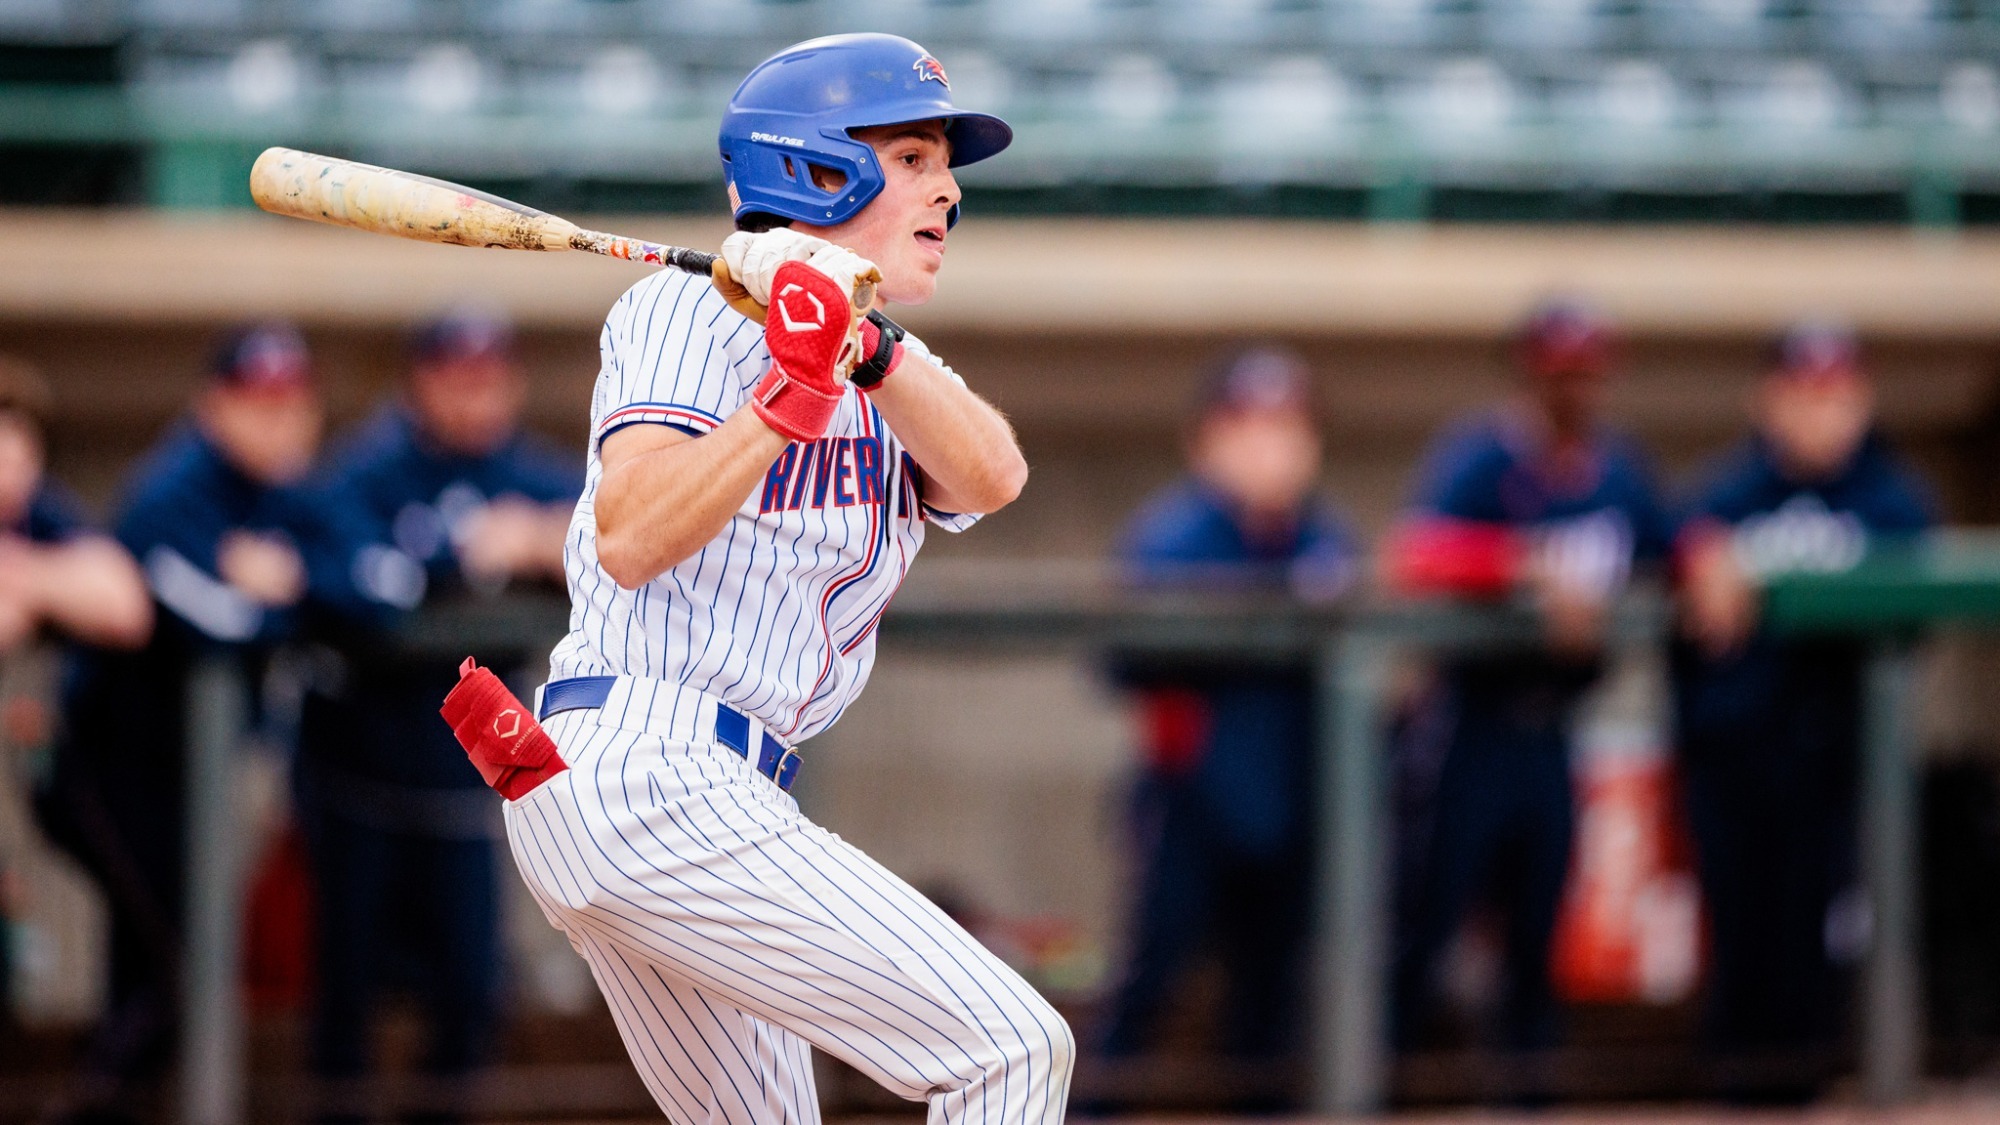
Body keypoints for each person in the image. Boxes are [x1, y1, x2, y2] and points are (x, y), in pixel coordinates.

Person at [481, 33, 1072, 1125]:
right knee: (1010, 1048)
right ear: (813, 166)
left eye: (942, 163)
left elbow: (993, 475)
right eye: (909, 157)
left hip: (708, 790)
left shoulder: (877, 349)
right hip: (643, 766)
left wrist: (866, 349)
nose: (946, 189)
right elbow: (630, 532)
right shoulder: (683, 311)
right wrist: (777, 404)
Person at [293, 308, 577, 1122]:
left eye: (490, 379)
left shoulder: (529, 469)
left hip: (469, 788)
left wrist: (531, 538)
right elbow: (352, 580)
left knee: (469, 992)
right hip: (357, 776)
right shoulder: (368, 469)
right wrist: (454, 553)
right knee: (347, 995)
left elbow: (618, 535)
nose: (476, 399)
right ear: (418, 382)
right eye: (457, 379)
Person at [36, 325, 322, 1125]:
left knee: (158, 968)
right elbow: (215, 623)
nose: (281, 422)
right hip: (104, 768)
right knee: (180, 966)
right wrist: (274, 597)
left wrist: (284, 585)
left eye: (292, 403)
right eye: (258, 403)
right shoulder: (172, 489)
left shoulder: (282, 489)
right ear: (214, 404)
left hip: (180, 777)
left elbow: (347, 581)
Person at [1383, 300, 1675, 1069]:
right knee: (1422, 930)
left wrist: (1709, 554)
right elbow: (1416, 554)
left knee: (1538, 938)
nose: (1575, 387)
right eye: (1559, 371)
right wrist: (1522, 565)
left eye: (1588, 370)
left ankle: (1527, 1100)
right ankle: (1377, 1089)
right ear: (1529, 373)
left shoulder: (1618, 467)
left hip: (1555, 730)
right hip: (1468, 726)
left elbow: (1673, 540)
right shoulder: (1482, 457)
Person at [1673, 321, 1934, 1102]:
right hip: (1734, 757)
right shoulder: (1726, 492)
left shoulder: (1891, 498)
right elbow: (1669, 536)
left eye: (1838, 394)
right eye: (1805, 392)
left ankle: (1811, 1087)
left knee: (1824, 946)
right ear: (1769, 399)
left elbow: (1916, 613)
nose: (1822, 412)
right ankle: (1736, 1090)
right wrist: (1697, 557)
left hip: (1839, 765)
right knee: (1739, 939)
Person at [1096, 347, 1355, 1095]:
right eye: (1248, 427)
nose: (1270, 446)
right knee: (1150, 984)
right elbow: (1119, 660)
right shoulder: (1172, 536)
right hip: (1192, 804)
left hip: (1297, 807)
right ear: (1207, 439)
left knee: (1273, 1010)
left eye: (1287, 427)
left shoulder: (1324, 538)